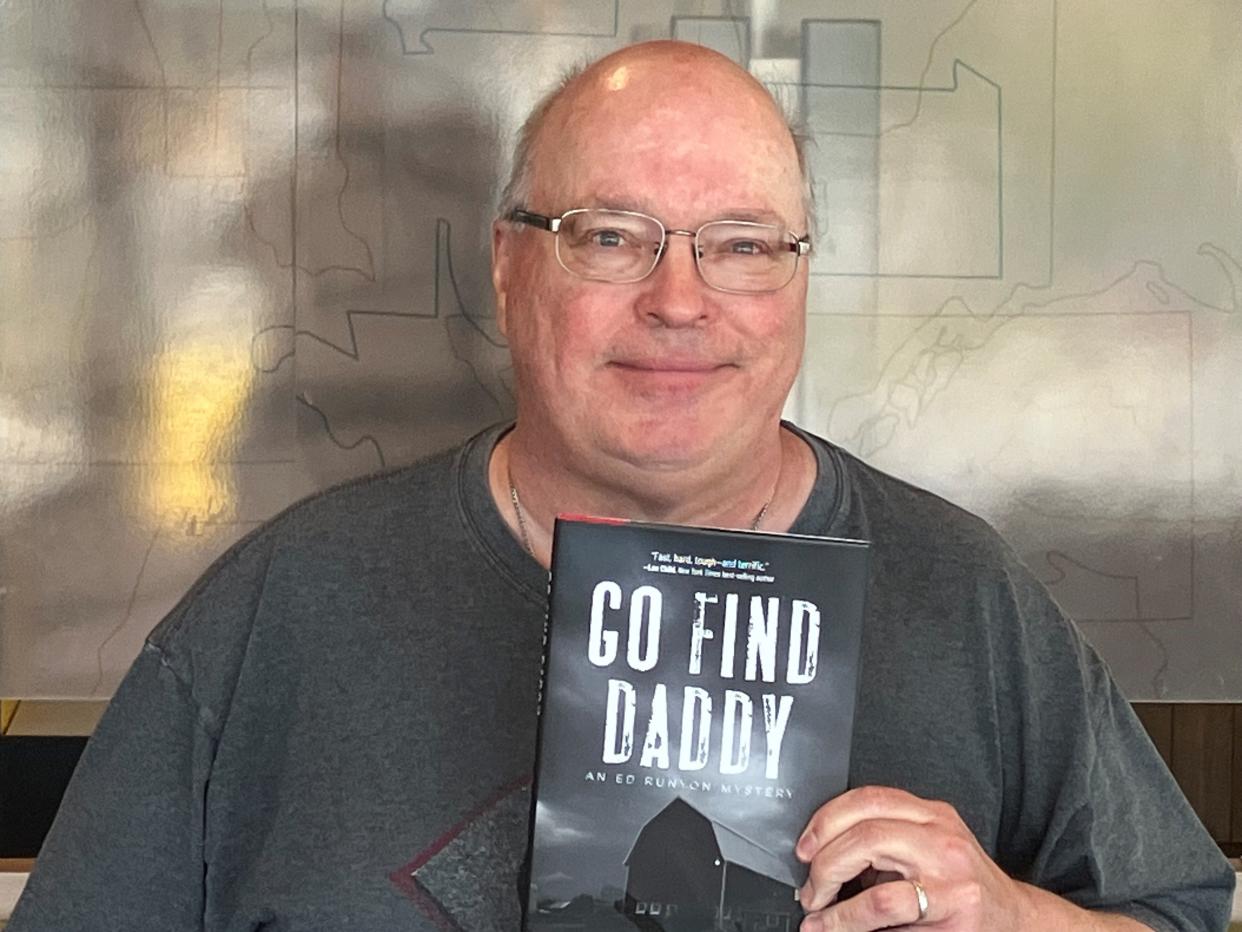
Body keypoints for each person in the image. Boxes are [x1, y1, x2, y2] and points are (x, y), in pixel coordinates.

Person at [10, 40, 1234, 932]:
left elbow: (1180, 914)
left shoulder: (966, 595)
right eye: (610, 235)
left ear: (799, 278)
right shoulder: (284, 605)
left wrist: (1019, 920)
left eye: (742, 244)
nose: (681, 299)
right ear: (509, 266)